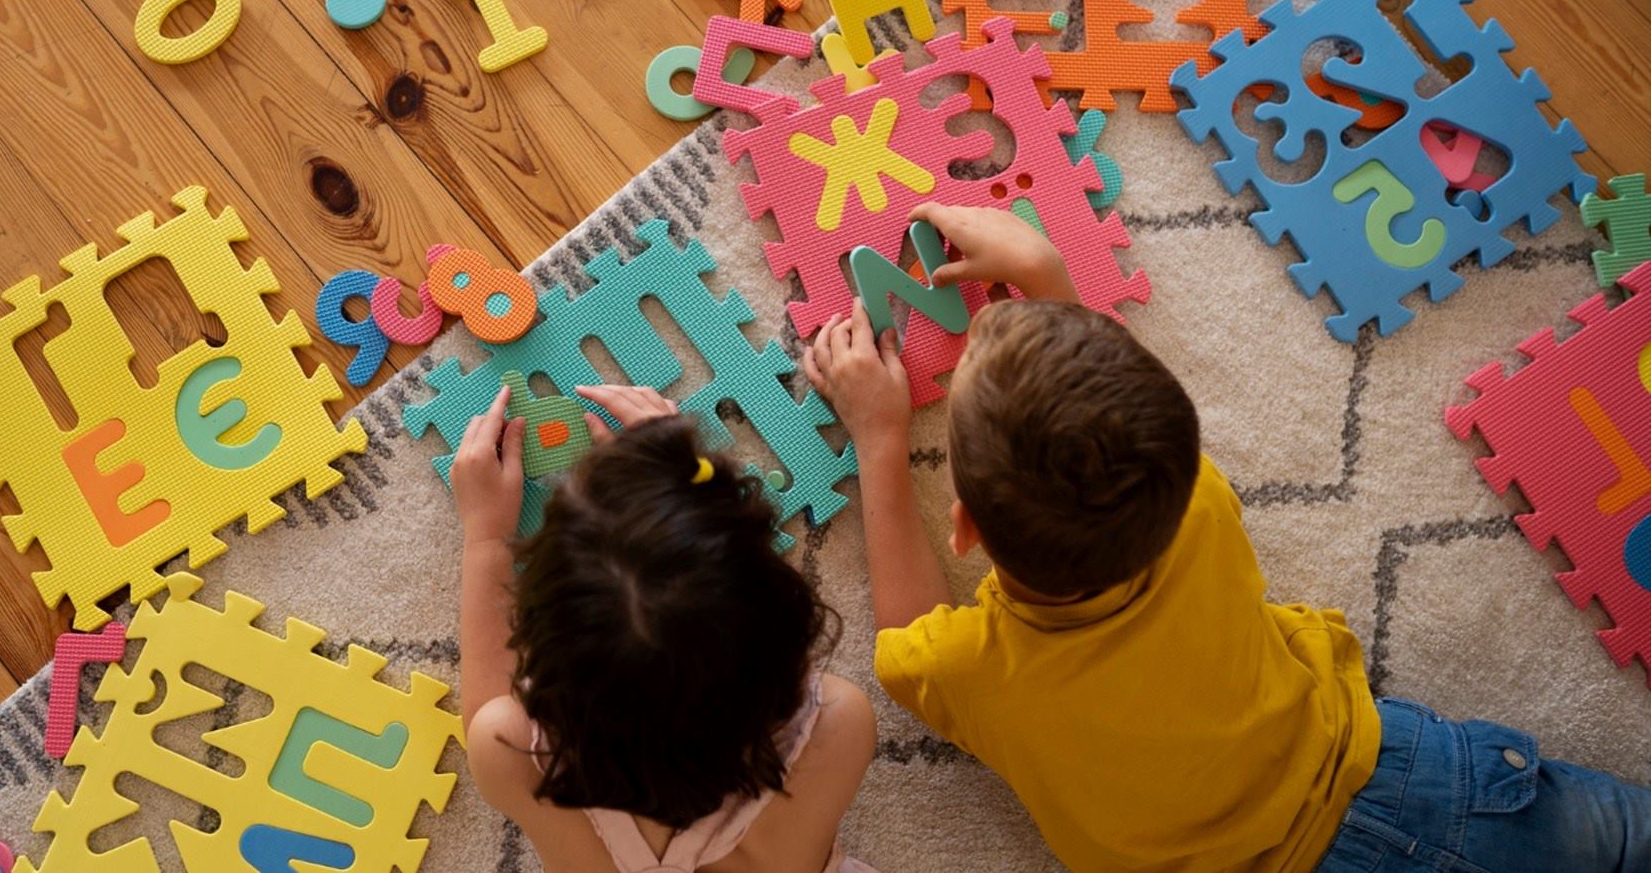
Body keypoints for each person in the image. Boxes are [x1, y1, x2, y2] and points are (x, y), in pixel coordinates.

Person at [803, 202, 1651, 872]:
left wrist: (879, 439)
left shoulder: (971, 669)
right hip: (1428, 781)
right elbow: (1132, 421)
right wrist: (1048, 273)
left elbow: (902, 639)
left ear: (966, 529)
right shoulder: (1194, 507)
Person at [451, 383, 879, 873]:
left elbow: (485, 713)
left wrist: (486, 535)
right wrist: (681, 488)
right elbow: (738, 614)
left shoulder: (514, 755)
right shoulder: (840, 727)